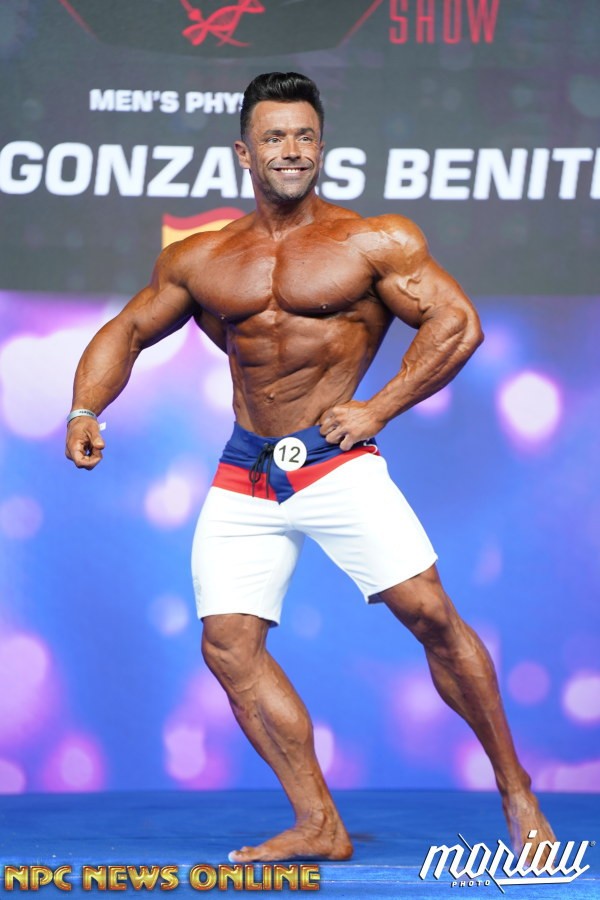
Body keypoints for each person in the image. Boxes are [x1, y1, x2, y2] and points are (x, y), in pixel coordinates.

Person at [66, 72, 554, 863]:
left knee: (430, 615)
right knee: (228, 646)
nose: (290, 150)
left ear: (321, 146)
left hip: (336, 462)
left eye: (303, 136)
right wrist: (85, 410)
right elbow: (127, 329)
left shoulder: (371, 241)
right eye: (274, 137)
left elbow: (457, 324)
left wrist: (378, 408)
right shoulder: (202, 257)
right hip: (246, 468)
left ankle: (516, 789)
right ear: (244, 153)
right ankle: (318, 822)